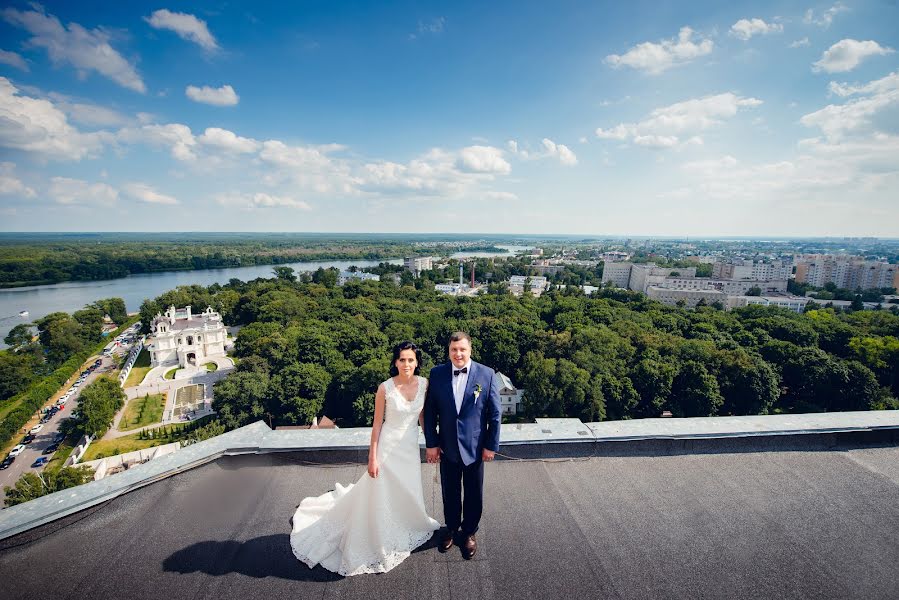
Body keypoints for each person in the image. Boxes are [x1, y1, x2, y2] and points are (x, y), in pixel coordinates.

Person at [289, 341, 439, 576]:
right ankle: (382, 532)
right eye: (402, 359)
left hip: (409, 448)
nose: (406, 364)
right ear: (395, 362)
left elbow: (421, 417)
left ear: (417, 362)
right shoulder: (385, 388)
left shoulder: (425, 384)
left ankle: (406, 522)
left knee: (407, 488)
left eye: (411, 360)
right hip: (387, 448)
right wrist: (372, 458)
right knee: (382, 491)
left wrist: (432, 443)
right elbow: (377, 424)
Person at [424, 331, 501, 560]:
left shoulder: (486, 375)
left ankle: (469, 532)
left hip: (476, 448)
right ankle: (451, 528)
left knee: (474, 493)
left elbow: (495, 415)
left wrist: (490, 445)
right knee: (450, 491)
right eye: (453, 350)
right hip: (447, 447)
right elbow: (430, 414)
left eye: (462, 349)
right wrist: (432, 443)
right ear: (448, 351)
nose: (458, 354)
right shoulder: (436, 374)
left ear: (470, 350)